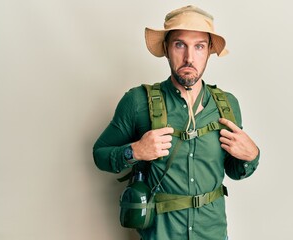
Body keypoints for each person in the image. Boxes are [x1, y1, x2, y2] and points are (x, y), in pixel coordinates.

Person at [93, 5, 260, 240]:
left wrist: (252, 156)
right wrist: (135, 151)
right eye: (180, 44)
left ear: (209, 50)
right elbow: (100, 154)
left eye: (199, 46)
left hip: (212, 233)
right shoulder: (137, 101)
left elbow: (234, 170)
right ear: (166, 48)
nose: (189, 57)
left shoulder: (227, 105)